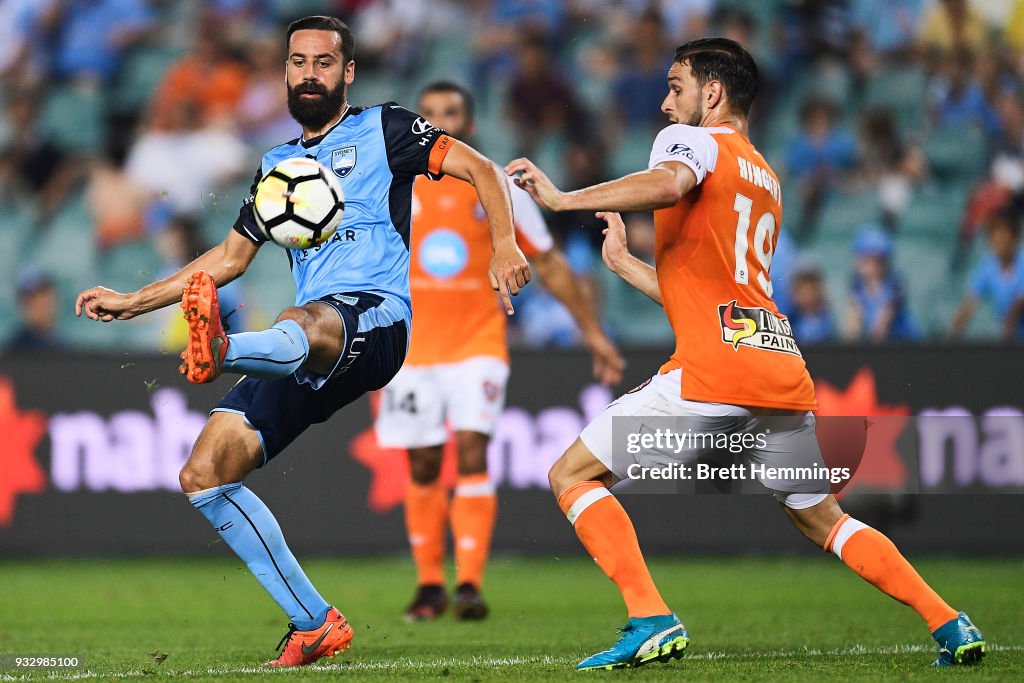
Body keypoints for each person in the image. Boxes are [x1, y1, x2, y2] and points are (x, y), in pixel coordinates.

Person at [506, 37, 985, 671]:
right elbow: (707, 293)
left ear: (713, 93)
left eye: (676, 87)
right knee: (823, 521)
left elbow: (668, 182)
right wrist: (624, 263)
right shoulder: (766, 177)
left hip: (711, 375)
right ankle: (949, 622)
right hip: (777, 373)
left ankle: (650, 617)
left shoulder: (696, 143)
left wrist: (566, 199)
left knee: (571, 476)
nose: (665, 101)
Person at [75, 15, 529, 668]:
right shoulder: (276, 166)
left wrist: (506, 245)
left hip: (375, 321)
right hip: (301, 345)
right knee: (205, 472)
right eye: (297, 61)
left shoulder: (388, 129)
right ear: (284, 71)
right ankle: (313, 621)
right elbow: (229, 260)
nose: (309, 73)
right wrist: (133, 300)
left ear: (348, 72)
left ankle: (222, 349)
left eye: (323, 62)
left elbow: (482, 167)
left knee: (306, 315)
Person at [373, 81, 624, 622]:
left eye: (452, 113)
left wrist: (593, 332)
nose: (441, 121)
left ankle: (468, 583)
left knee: (471, 452)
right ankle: (427, 585)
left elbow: (551, 263)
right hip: (408, 348)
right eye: (431, 113)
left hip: (478, 344)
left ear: (471, 122)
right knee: (422, 464)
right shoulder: (393, 182)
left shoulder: (496, 186)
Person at [949, 213, 1024, 340]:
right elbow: (969, 304)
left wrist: (1005, 341)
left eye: (1004, 237)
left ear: (1015, 238)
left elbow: (1018, 306)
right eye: (995, 237)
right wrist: (951, 336)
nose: (1000, 242)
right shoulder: (987, 267)